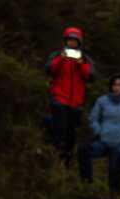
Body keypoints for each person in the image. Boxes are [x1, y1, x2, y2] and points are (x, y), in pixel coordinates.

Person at [79, 74, 120, 193]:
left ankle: (114, 198)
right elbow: (93, 118)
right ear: (111, 86)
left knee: (115, 173)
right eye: (114, 84)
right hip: (103, 142)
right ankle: (87, 186)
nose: (117, 87)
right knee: (83, 151)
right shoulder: (102, 101)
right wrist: (99, 131)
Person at [44, 26, 95, 165]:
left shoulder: (85, 59)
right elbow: (50, 70)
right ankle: (55, 156)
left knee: (71, 133)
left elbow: (90, 76)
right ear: (65, 41)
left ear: (79, 43)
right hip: (59, 98)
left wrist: (81, 64)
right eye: (70, 40)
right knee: (59, 129)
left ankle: (66, 160)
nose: (72, 43)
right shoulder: (57, 55)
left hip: (76, 103)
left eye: (75, 41)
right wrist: (61, 58)